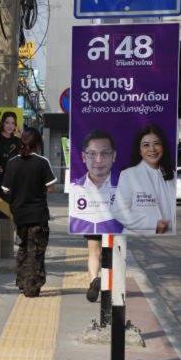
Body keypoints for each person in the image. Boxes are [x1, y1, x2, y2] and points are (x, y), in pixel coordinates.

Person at [1, 128, 57, 297]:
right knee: (36, 250)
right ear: (37, 143)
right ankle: (31, 287)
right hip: (38, 214)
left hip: (19, 215)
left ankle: (21, 281)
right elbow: (51, 188)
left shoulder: (12, 163)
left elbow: (5, 189)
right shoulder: (42, 162)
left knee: (23, 248)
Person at [69, 129, 122, 302]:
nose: (98, 160)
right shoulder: (76, 187)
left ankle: (94, 279)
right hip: (92, 220)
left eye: (105, 154)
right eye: (92, 154)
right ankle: (106, 285)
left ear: (114, 156)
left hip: (110, 222)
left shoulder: (125, 185)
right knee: (113, 252)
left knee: (93, 252)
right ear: (84, 157)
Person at [112, 124, 177, 235]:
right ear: (139, 150)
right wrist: (153, 225)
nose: (152, 149)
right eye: (146, 145)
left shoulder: (173, 175)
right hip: (139, 240)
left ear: (163, 147)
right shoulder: (128, 175)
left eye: (157, 144)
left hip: (170, 239)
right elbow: (120, 211)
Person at [0, 111, 21, 198]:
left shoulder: (17, 141)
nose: (10, 126)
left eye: (12, 123)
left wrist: (21, 138)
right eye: (7, 122)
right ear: (2, 123)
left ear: (15, 125)